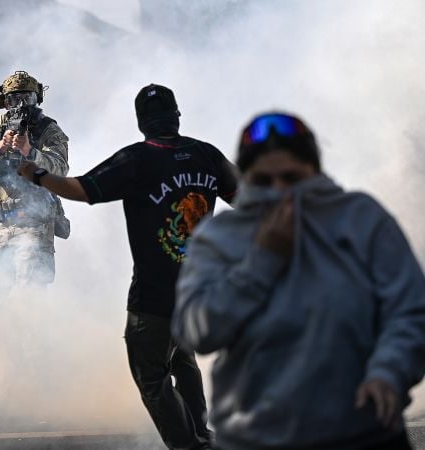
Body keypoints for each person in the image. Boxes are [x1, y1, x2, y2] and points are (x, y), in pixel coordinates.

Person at [172, 112, 425, 450]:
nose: (279, 190)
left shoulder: (360, 219)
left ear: (314, 170)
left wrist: (389, 373)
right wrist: (263, 260)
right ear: (246, 179)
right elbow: (196, 330)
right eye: (264, 180)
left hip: (366, 431)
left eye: (292, 178)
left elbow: (410, 310)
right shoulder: (219, 237)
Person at [18, 84, 238, 450]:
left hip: (153, 298)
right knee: (182, 357)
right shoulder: (207, 155)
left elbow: (83, 189)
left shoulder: (138, 159)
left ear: (141, 123)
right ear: (177, 116)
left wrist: (37, 175)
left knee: (152, 377)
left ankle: (189, 444)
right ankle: (202, 433)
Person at [0, 70, 70, 290]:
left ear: (37, 99)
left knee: (30, 290)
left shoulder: (48, 129)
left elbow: (60, 169)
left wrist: (30, 152)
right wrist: (0, 148)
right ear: (4, 102)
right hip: (3, 223)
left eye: (27, 98)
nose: (20, 104)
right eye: (14, 99)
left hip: (36, 221)